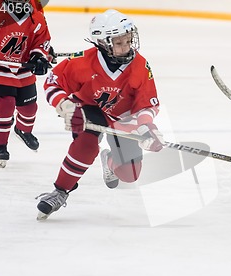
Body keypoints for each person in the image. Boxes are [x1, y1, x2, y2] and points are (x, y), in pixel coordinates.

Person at [36, 9, 164, 220]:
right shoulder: (83, 62)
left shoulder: (140, 66)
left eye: (128, 40)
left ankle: (110, 159)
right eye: (119, 43)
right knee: (86, 145)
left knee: (130, 174)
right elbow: (53, 82)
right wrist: (66, 107)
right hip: (89, 110)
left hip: (123, 118)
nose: (127, 47)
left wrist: (147, 128)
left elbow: (146, 104)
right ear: (103, 43)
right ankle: (60, 191)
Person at [0, 0, 51, 167]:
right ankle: (0, 145)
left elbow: (41, 39)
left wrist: (39, 55)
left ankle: (23, 130)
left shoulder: (35, 12)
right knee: (5, 103)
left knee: (29, 108)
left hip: (21, 65)